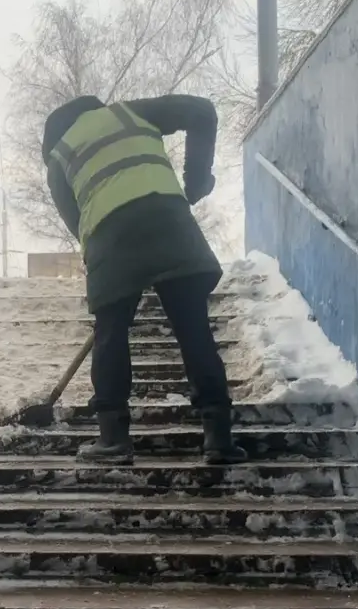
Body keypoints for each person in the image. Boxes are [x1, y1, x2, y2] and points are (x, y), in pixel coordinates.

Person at [42, 94, 246, 467]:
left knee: (111, 334)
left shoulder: (58, 159)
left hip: (110, 238)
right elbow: (202, 111)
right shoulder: (127, 113)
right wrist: (196, 177)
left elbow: (79, 227)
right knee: (194, 329)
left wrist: (110, 276)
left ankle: (113, 439)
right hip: (171, 223)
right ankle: (218, 437)